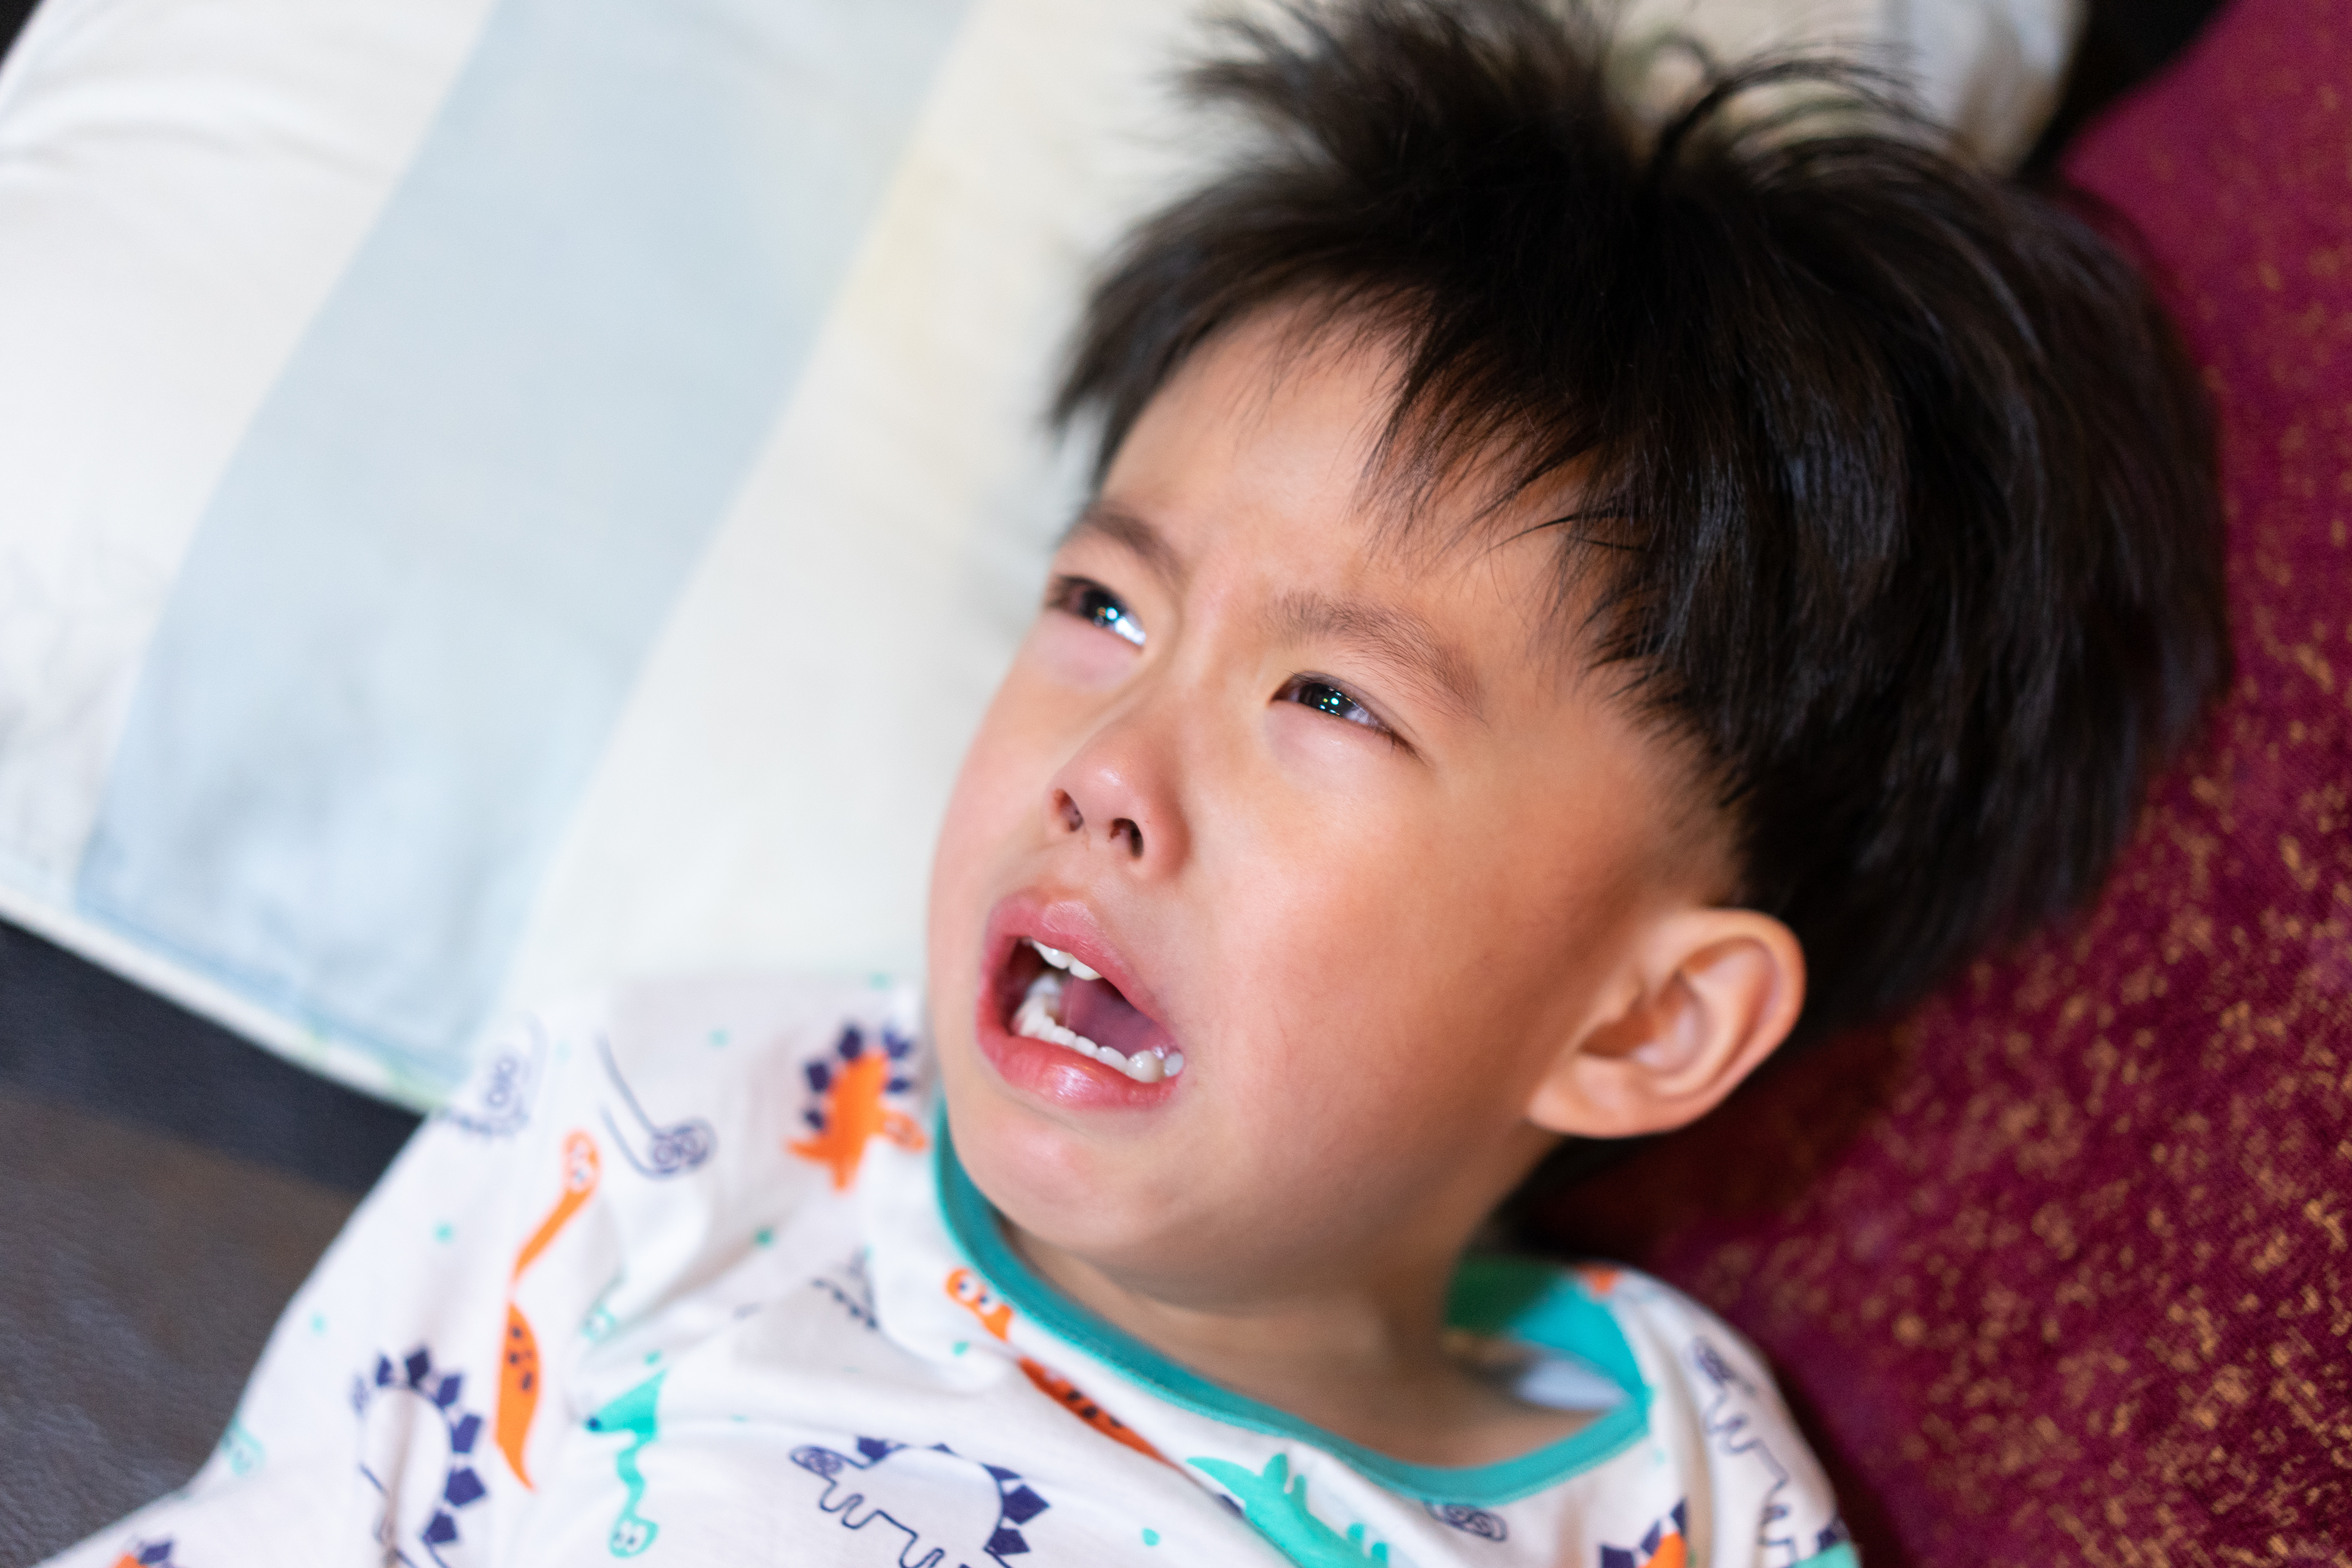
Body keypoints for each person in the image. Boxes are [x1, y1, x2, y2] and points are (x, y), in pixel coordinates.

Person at [47, 1, 2225, 1564]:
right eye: (1103, 607)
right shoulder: (682, 1125)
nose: (1108, 772)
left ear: (1641, 1018)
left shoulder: (1673, 1500)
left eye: (1331, 705)